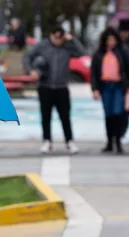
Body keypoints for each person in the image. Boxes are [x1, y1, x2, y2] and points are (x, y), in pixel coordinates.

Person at [23, 25, 85, 154]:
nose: (57, 40)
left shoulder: (67, 47)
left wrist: (71, 39)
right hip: (45, 86)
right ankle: (47, 141)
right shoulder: (42, 46)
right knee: (46, 116)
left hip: (62, 87)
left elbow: (81, 53)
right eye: (55, 37)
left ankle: (69, 141)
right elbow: (27, 56)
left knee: (65, 116)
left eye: (60, 38)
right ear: (51, 35)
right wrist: (31, 71)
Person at [91, 27, 129, 154]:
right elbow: (93, 73)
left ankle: (118, 141)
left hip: (119, 86)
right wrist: (94, 89)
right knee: (108, 114)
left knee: (118, 113)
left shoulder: (123, 51)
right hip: (105, 86)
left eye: (113, 40)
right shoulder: (99, 54)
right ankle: (110, 142)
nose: (111, 42)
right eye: (108, 40)